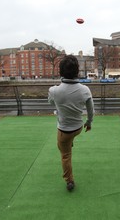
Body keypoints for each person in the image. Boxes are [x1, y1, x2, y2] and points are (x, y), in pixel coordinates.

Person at [48, 55, 94, 192]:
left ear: (60, 72)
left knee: (65, 154)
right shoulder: (85, 89)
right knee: (69, 140)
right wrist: (89, 122)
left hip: (64, 131)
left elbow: (51, 103)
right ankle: (70, 142)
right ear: (77, 72)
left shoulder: (54, 90)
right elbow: (91, 110)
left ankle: (69, 180)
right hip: (79, 127)